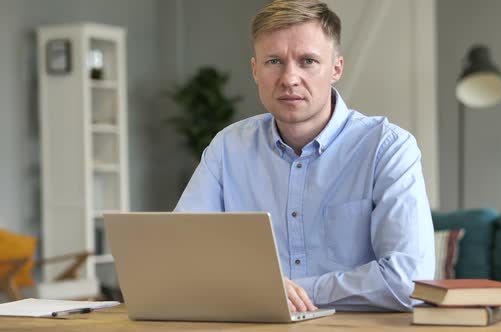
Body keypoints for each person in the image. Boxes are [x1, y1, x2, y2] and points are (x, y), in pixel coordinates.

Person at [174, 0, 434, 313]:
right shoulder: (227, 148)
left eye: (308, 61)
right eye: (274, 61)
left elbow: (409, 281)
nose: (289, 78)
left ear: (336, 68)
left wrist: (277, 289)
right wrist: (261, 290)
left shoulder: (388, 148)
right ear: (255, 70)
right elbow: (181, 255)